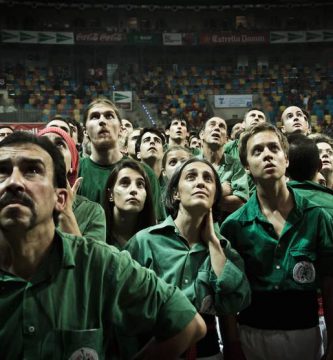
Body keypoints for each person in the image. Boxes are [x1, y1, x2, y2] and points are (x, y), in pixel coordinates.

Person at [0, 131, 207, 359]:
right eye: (2, 171)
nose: (14, 182)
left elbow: (189, 324)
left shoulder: (99, 264)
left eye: (32, 170)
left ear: (61, 198)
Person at [220, 123, 333, 360]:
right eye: (257, 151)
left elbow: (329, 282)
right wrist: (232, 342)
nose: (267, 155)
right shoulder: (234, 225)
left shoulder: (316, 216)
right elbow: (227, 291)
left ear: (287, 159)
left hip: (306, 332)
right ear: (246, 166)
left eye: (274, 148)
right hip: (252, 335)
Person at [126, 158, 251, 359]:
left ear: (214, 197)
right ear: (176, 193)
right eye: (191, 176)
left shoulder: (223, 248)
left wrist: (212, 240)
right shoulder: (145, 241)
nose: (200, 182)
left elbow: (234, 302)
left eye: (208, 179)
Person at [77, 97, 165, 221]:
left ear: (121, 129)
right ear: (85, 131)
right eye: (95, 117)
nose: (102, 121)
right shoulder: (75, 172)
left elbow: (154, 225)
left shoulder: (144, 174)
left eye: (109, 116)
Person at [38, 126, 106, 242]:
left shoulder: (91, 212)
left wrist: (66, 211)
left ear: (72, 165)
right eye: (43, 143)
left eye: (60, 144)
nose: (50, 148)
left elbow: (88, 260)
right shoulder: (17, 202)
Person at [199, 116, 249, 219]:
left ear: (226, 139)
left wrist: (202, 199)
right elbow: (186, 199)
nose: (217, 128)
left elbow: (240, 203)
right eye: (212, 124)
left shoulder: (236, 164)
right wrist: (220, 191)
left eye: (221, 126)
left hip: (227, 231)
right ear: (202, 134)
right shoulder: (191, 164)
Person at [104, 159, 156, 248]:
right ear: (110, 194)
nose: (133, 190)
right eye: (124, 183)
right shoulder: (97, 234)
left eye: (140, 184)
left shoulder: (156, 238)